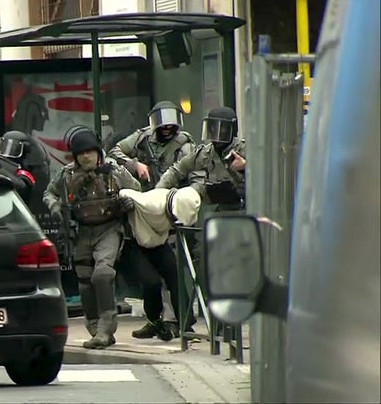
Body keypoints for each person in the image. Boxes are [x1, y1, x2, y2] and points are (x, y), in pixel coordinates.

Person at [43, 126, 141, 349]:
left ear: (98, 152)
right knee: (86, 282)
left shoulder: (113, 171)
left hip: (109, 229)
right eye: (81, 153)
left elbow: (136, 189)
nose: (86, 156)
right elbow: (49, 192)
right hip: (81, 231)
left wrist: (127, 200)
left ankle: (106, 329)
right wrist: (56, 207)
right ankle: (95, 328)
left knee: (103, 274)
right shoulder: (67, 174)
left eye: (90, 151)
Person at [118, 186, 202, 340]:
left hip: (158, 242)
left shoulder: (183, 205)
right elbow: (124, 192)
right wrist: (125, 204)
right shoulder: (151, 204)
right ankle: (154, 322)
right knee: (152, 282)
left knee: (175, 277)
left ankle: (186, 324)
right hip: (135, 243)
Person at [156, 106, 246, 211]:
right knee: (190, 192)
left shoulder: (244, 150)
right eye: (212, 128)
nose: (216, 133)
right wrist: (157, 193)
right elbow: (177, 170)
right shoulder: (205, 153)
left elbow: (265, 176)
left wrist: (245, 167)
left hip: (246, 208)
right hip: (220, 206)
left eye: (222, 129)